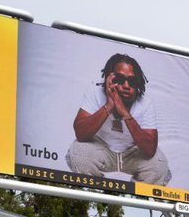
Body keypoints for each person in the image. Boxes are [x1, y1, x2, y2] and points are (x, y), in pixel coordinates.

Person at [66, 53, 171, 185]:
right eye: (120, 79)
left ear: (138, 84)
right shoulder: (95, 92)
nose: (126, 85)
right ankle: (99, 191)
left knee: (159, 166)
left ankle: (135, 197)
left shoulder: (145, 103)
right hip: (101, 148)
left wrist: (125, 114)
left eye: (132, 81)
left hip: (132, 154)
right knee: (79, 154)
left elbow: (150, 150)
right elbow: (80, 134)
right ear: (109, 79)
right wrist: (109, 106)